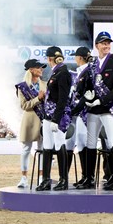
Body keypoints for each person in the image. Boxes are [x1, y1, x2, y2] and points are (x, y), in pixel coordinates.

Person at [81, 31, 113, 190]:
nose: (107, 45)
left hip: (109, 109)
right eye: (103, 43)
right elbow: (87, 85)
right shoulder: (92, 65)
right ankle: (89, 178)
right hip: (93, 110)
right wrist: (88, 97)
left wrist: (102, 99)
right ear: (97, 45)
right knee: (91, 143)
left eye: (108, 42)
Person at [36, 46, 72, 191]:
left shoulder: (63, 73)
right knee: (47, 147)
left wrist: (56, 119)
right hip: (49, 116)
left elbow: (63, 99)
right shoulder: (57, 72)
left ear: (49, 58)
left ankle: (63, 179)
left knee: (59, 145)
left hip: (58, 117)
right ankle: (46, 179)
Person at [15, 59, 47, 188]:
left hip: (43, 120)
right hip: (29, 120)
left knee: (42, 150)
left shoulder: (45, 84)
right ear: (31, 70)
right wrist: (37, 99)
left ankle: (41, 177)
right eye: (38, 67)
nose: (41, 69)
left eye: (41, 67)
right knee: (26, 149)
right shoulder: (22, 86)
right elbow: (24, 105)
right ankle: (24, 177)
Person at [69, 47, 93, 189]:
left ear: (80, 57)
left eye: (76, 56)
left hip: (85, 112)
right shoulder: (81, 72)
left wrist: (75, 109)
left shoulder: (88, 71)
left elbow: (87, 93)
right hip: (80, 112)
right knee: (81, 143)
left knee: (85, 142)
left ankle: (89, 177)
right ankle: (85, 176)